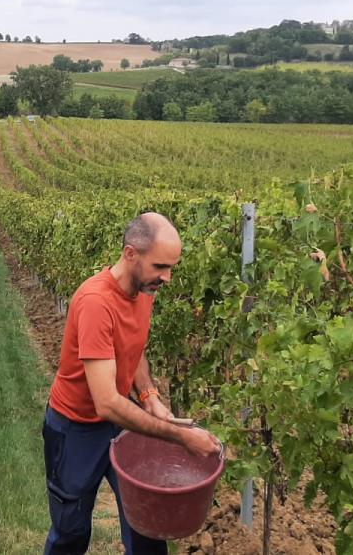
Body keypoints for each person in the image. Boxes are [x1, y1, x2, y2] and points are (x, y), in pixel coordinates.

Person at [42, 212, 221, 555]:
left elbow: (133, 347)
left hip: (119, 424)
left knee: (148, 529)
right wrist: (182, 436)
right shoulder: (96, 303)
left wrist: (149, 394)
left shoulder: (144, 289)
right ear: (130, 254)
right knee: (71, 531)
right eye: (159, 267)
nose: (167, 278)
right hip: (75, 428)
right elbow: (106, 402)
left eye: (171, 268)